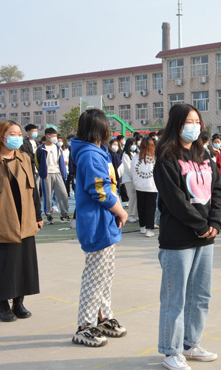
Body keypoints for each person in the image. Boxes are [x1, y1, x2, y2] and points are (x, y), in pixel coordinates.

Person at [153, 103, 221, 368]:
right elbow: (175, 200)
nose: (194, 127)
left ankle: (190, 343)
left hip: (206, 237)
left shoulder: (203, 153)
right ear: (177, 125)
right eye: (188, 122)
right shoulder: (166, 157)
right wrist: (200, 225)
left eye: (197, 122)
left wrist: (215, 222)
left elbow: (218, 190)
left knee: (200, 295)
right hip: (178, 239)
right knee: (175, 298)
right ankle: (171, 351)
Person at [70, 109, 128, 347]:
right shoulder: (90, 155)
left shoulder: (97, 152)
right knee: (95, 277)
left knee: (105, 275)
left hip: (105, 221)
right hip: (96, 223)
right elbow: (100, 191)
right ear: (100, 129)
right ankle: (85, 326)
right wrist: (121, 211)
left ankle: (103, 317)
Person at [0, 121, 42, 322]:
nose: (17, 137)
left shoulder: (25, 158)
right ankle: (3, 306)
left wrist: (38, 216)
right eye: (12, 133)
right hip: (1, 221)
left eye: (19, 133)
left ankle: (19, 303)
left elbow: (34, 190)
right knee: (3, 265)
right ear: (1, 137)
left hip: (25, 219)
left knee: (23, 263)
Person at [36, 127, 70, 224]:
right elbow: (38, 162)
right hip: (46, 175)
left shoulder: (57, 148)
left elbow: (61, 161)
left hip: (57, 173)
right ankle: (48, 216)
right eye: (53, 136)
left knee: (63, 194)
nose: (55, 138)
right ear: (47, 136)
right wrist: (42, 172)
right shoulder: (40, 149)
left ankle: (64, 215)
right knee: (47, 196)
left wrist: (63, 173)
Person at [133, 137, 157, 238]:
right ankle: (149, 229)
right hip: (152, 186)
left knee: (141, 206)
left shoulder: (136, 157)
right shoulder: (154, 157)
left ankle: (142, 227)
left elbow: (132, 170)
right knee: (150, 207)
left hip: (139, 185)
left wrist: (136, 182)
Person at [20, 123, 40, 196]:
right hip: (30, 167)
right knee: (33, 186)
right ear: (28, 132)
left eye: (36, 131)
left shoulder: (37, 142)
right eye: (33, 131)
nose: (35, 133)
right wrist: (36, 159)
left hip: (38, 167)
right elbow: (27, 155)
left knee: (38, 186)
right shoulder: (24, 142)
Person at [121, 138, 139, 223]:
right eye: (132, 144)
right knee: (132, 196)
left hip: (135, 178)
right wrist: (134, 176)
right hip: (128, 179)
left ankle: (134, 214)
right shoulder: (125, 154)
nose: (134, 146)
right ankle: (131, 215)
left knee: (135, 197)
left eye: (135, 144)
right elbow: (127, 168)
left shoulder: (135, 153)